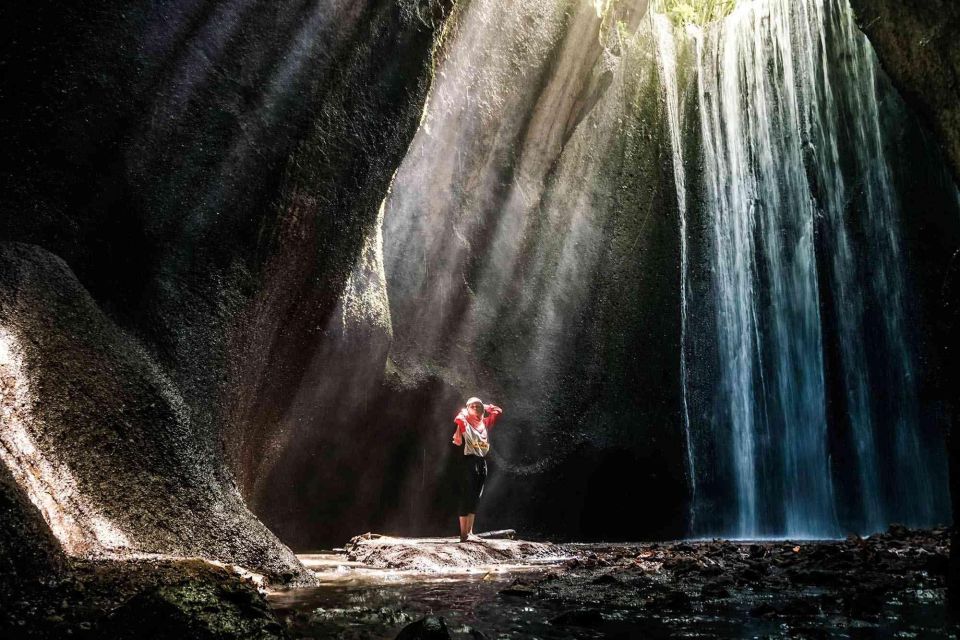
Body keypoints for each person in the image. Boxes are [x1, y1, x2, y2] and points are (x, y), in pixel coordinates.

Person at [451, 396, 503, 542]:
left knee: (476, 496)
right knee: (467, 495)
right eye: (472, 406)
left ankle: (470, 532)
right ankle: (463, 534)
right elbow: (459, 416)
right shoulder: (465, 422)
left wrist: (483, 405)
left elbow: (498, 411)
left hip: (482, 461)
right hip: (470, 461)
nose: (475, 407)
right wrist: (468, 408)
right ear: (467, 408)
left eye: (478, 406)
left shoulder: (485, 423)